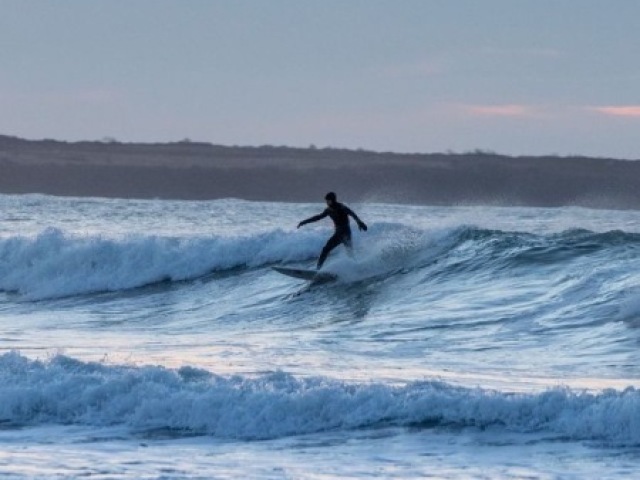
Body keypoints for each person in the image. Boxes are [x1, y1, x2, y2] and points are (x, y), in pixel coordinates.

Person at [297, 192, 368, 269]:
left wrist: (359, 222)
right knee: (342, 252)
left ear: (332, 200)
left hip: (344, 233)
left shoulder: (341, 207)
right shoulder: (328, 210)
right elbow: (317, 217)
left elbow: (352, 213)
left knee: (333, 251)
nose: (326, 202)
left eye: (328, 200)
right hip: (342, 233)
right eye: (326, 201)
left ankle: (318, 269)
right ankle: (318, 269)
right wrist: (304, 222)